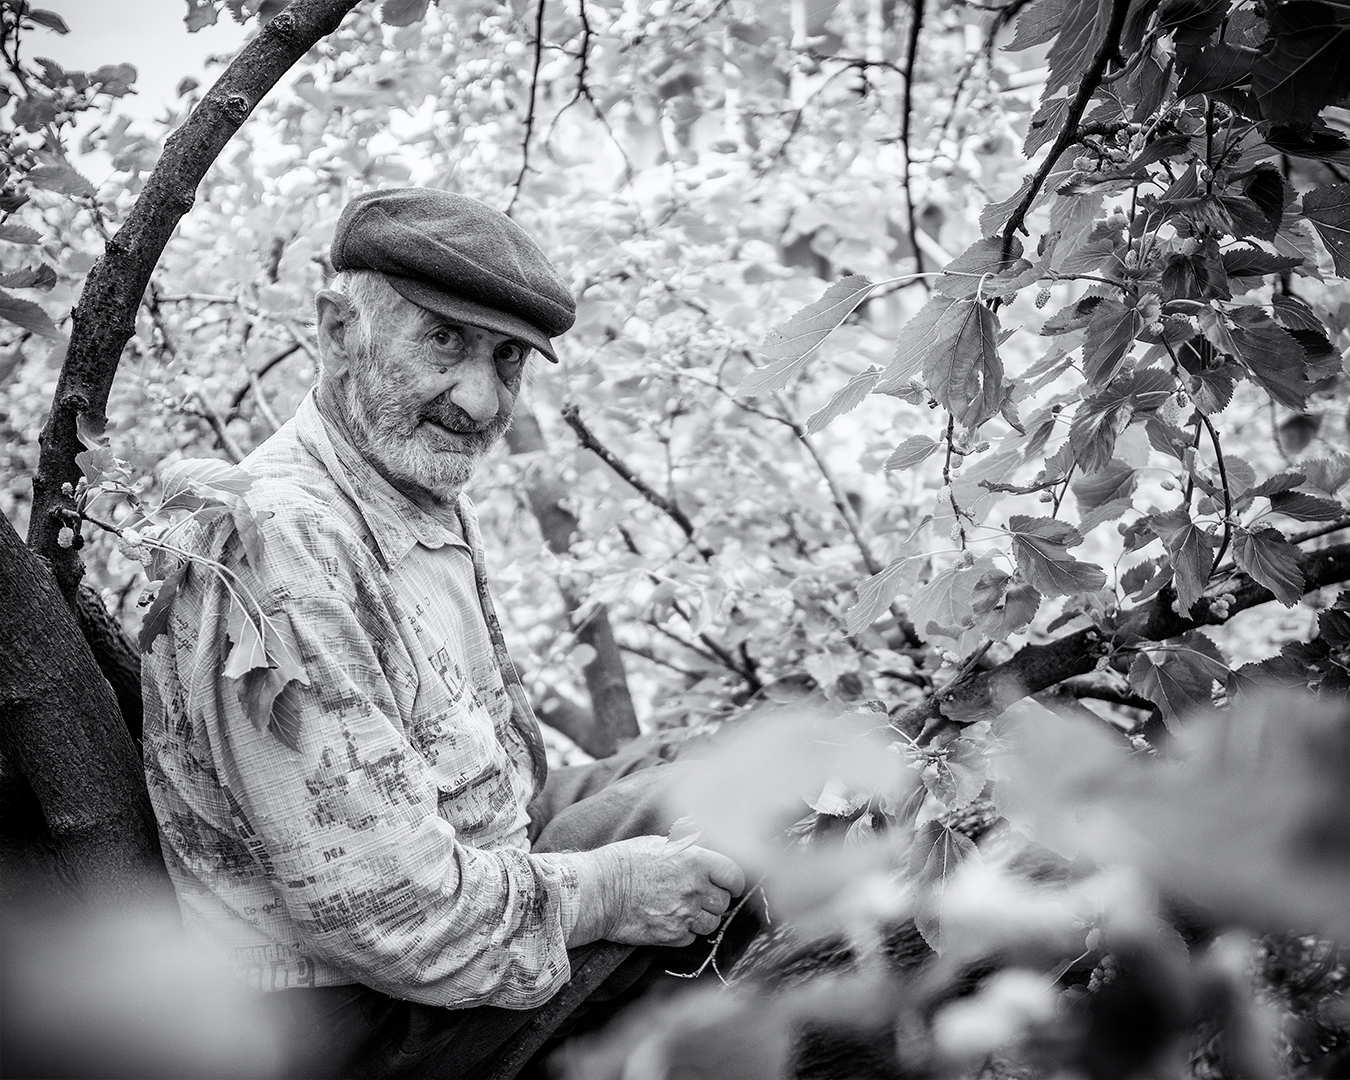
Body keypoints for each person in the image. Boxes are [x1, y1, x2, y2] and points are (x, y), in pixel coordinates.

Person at [140, 188, 748, 1079]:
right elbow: (389, 917)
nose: (480, 398)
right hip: (355, 1020)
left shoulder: (404, 485)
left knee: (765, 767)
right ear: (339, 331)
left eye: (507, 358)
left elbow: (495, 789)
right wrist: (614, 889)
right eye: (444, 341)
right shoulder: (282, 539)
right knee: (757, 852)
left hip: (480, 892)